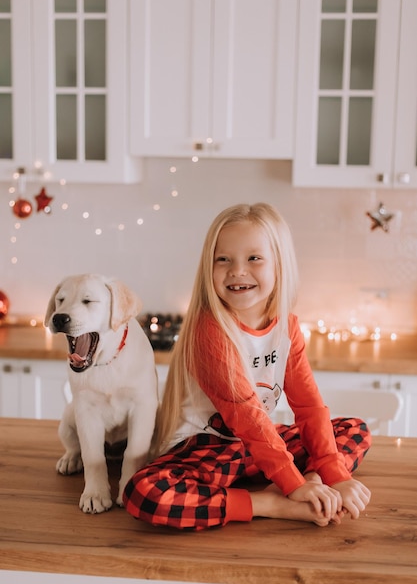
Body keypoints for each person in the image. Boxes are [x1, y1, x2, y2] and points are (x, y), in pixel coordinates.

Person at [123, 203, 372, 529]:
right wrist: (291, 487)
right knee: (145, 493)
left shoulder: (287, 327)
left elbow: (308, 406)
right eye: (223, 259)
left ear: (279, 265)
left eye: (254, 258)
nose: (237, 270)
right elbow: (246, 416)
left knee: (354, 428)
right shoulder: (209, 330)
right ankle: (269, 503)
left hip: (256, 450)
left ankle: (315, 486)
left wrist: (331, 474)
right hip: (205, 451)